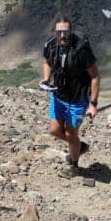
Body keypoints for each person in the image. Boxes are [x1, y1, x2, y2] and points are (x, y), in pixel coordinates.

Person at [41, 14, 99, 178]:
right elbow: (46, 61)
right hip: (58, 95)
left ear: (71, 31)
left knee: (70, 133)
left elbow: (95, 76)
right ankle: (78, 147)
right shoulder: (51, 45)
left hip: (78, 99)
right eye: (59, 33)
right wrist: (46, 78)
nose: (62, 36)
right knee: (54, 130)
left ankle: (74, 166)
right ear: (54, 33)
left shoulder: (81, 49)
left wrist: (93, 103)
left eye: (66, 32)